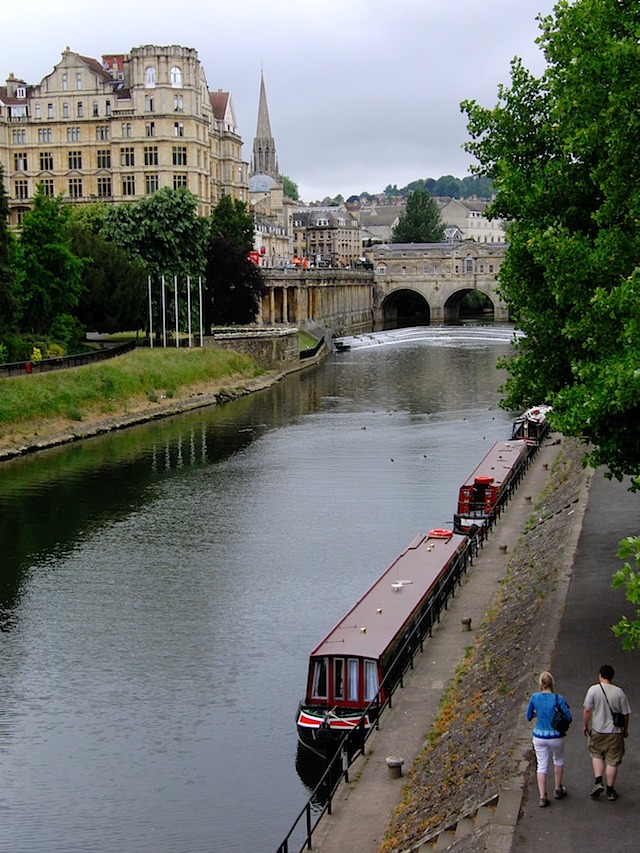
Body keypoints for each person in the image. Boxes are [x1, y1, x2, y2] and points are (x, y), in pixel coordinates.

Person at [583, 664, 631, 801]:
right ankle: (610, 790)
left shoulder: (593, 690)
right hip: (615, 732)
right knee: (612, 760)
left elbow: (587, 710)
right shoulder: (619, 692)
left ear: (600, 675)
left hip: (598, 730)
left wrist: (585, 725)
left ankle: (598, 781)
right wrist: (625, 730)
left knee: (596, 754)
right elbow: (626, 714)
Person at [526, 670, 572, 807]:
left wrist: (537, 713)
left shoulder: (534, 698)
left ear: (540, 684)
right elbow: (568, 717)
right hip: (556, 736)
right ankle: (558, 788)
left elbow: (528, 716)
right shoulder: (558, 699)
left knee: (542, 765)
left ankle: (542, 797)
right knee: (558, 759)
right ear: (552, 683)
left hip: (539, 736)